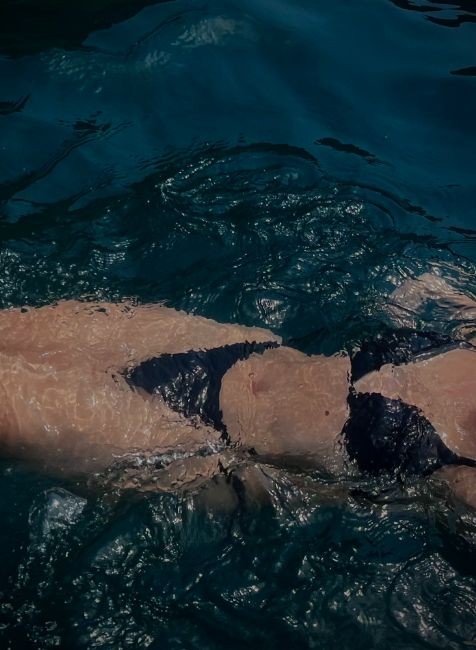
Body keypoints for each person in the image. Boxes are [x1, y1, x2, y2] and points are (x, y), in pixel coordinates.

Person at [0, 274, 474, 504]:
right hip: (230, 348)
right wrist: (416, 292)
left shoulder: (464, 476)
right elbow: (422, 286)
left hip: (199, 440)